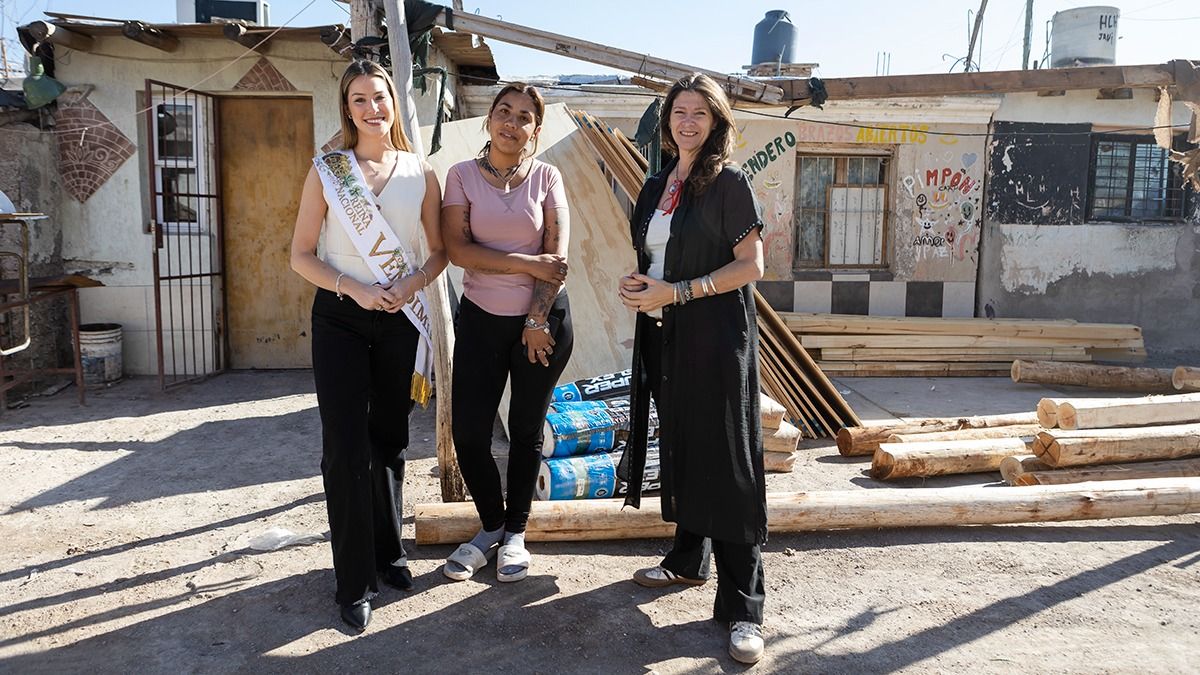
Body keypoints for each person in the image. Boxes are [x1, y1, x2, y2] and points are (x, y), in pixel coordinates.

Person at [616, 73, 768, 665]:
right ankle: (686, 560)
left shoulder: (730, 183)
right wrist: (642, 286)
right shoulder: (656, 185)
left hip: (714, 337)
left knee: (728, 460)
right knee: (681, 446)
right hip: (663, 338)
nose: (687, 121)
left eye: (699, 113)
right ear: (667, 121)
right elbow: (654, 257)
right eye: (679, 111)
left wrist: (676, 292)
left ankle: (744, 605)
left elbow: (750, 266)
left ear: (716, 122)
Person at [289, 59, 446, 632]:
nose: (372, 108)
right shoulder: (328, 172)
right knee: (345, 447)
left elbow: (438, 251)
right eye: (359, 100)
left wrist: (410, 284)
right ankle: (352, 581)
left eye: (379, 97)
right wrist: (351, 287)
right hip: (340, 316)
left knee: (389, 440)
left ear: (393, 102)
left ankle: (390, 552)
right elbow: (300, 254)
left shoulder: (420, 172)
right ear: (347, 109)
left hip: (400, 313)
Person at [440, 83, 572, 583]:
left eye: (523, 117)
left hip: (542, 322)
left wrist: (536, 320)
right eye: (503, 112)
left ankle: (515, 532)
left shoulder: (547, 178)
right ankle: (490, 525)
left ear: (535, 131)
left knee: (525, 430)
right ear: (489, 120)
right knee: (469, 432)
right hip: (480, 317)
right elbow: (459, 251)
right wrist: (524, 262)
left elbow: (556, 261)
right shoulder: (461, 177)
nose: (511, 123)